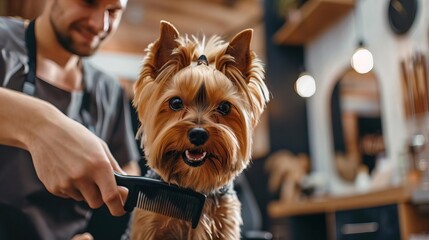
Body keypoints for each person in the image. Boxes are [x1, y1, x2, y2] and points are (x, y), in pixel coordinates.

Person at [0, 0, 141, 239]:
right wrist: (40, 125)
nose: (100, 24)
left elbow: (127, 167)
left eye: (113, 11)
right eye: (88, 2)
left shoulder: (109, 91)